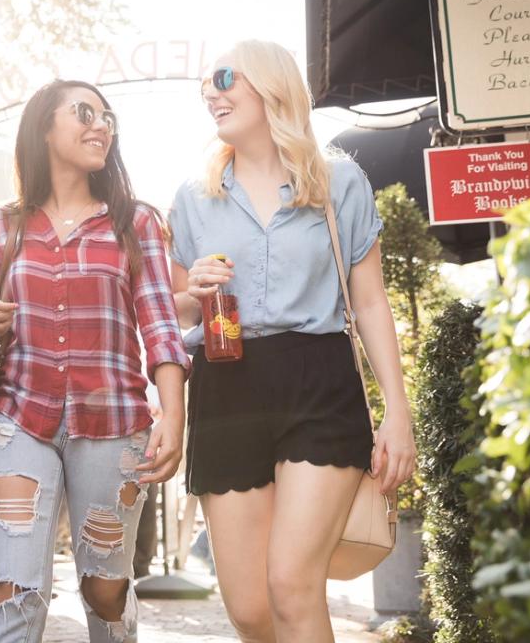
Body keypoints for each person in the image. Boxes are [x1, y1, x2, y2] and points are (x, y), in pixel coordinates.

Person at [168, 39, 417, 643]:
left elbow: (369, 302)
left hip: (317, 380)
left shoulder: (338, 181)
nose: (211, 91)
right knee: (250, 608)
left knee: (292, 583)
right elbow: (169, 312)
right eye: (205, 83)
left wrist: (398, 412)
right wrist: (193, 289)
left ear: (270, 85)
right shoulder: (193, 199)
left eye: (224, 77)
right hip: (226, 384)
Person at [0, 80, 191, 643]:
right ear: (44, 126)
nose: (102, 126)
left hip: (115, 425)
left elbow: (161, 324)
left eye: (107, 117)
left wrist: (174, 415)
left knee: (104, 590)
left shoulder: (135, 222)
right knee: (11, 589)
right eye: (85, 113)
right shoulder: (4, 225)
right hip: (19, 418)